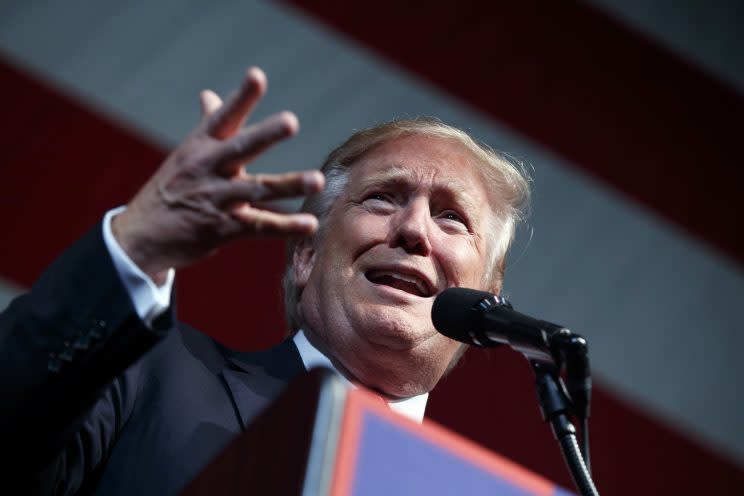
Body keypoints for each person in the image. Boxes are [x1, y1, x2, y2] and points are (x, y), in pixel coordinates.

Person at [0, 67, 530, 495]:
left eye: (451, 217)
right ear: (305, 256)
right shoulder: (147, 378)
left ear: (483, 299)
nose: (413, 229)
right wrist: (137, 245)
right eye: (383, 198)